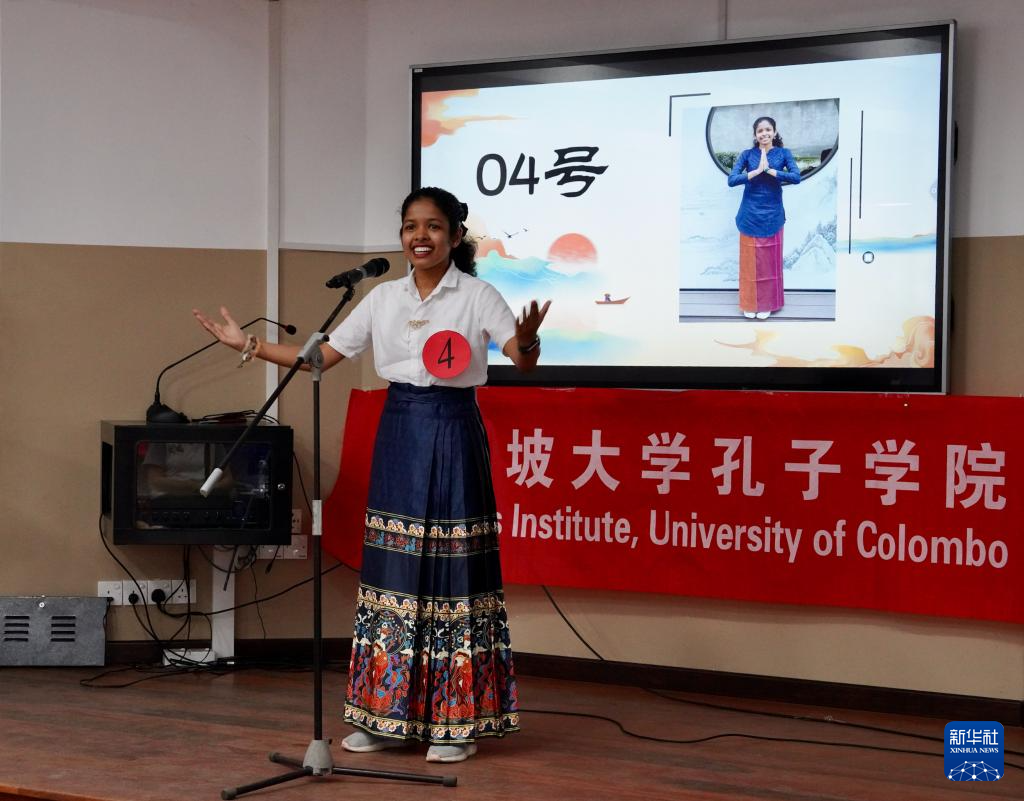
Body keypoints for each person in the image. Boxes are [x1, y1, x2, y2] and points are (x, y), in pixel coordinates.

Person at [193, 186, 550, 764]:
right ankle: (386, 717)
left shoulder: (478, 294)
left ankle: (454, 725)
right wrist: (250, 345)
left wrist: (528, 339)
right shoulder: (382, 298)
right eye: (411, 226)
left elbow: (520, 356)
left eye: (433, 226)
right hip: (400, 430)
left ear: (455, 236)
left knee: (452, 570)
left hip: (454, 429)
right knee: (393, 568)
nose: (420, 236)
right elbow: (319, 358)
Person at [727, 116, 801, 319]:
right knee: (749, 262)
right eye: (760, 131)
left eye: (768, 129)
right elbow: (731, 180)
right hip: (750, 214)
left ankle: (767, 303)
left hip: (773, 214)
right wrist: (757, 171)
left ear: (774, 132)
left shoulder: (783, 153)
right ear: (755, 135)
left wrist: (770, 171)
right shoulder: (747, 154)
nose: (764, 133)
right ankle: (750, 303)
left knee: (768, 262)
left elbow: (796, 177)